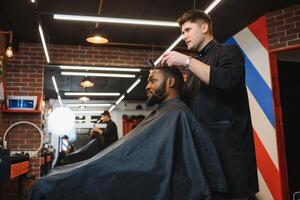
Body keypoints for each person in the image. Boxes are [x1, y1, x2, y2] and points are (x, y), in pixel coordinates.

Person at [29, 67, 227, 200]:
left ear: (171, 82)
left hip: (135, 172)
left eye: (152, 80)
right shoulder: (168, 112)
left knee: (46, 185)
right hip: (123, 165)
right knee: (55, 177)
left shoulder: (177, 114)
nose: (147, 86)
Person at [161, 9, 259, 200]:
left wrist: (186, 61)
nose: (184, 37)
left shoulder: (228, 52)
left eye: (188, 30)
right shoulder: (195, 69)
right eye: (182, 32)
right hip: (204, 155)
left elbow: (228, 80)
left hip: (230, 156)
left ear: (204, 27)